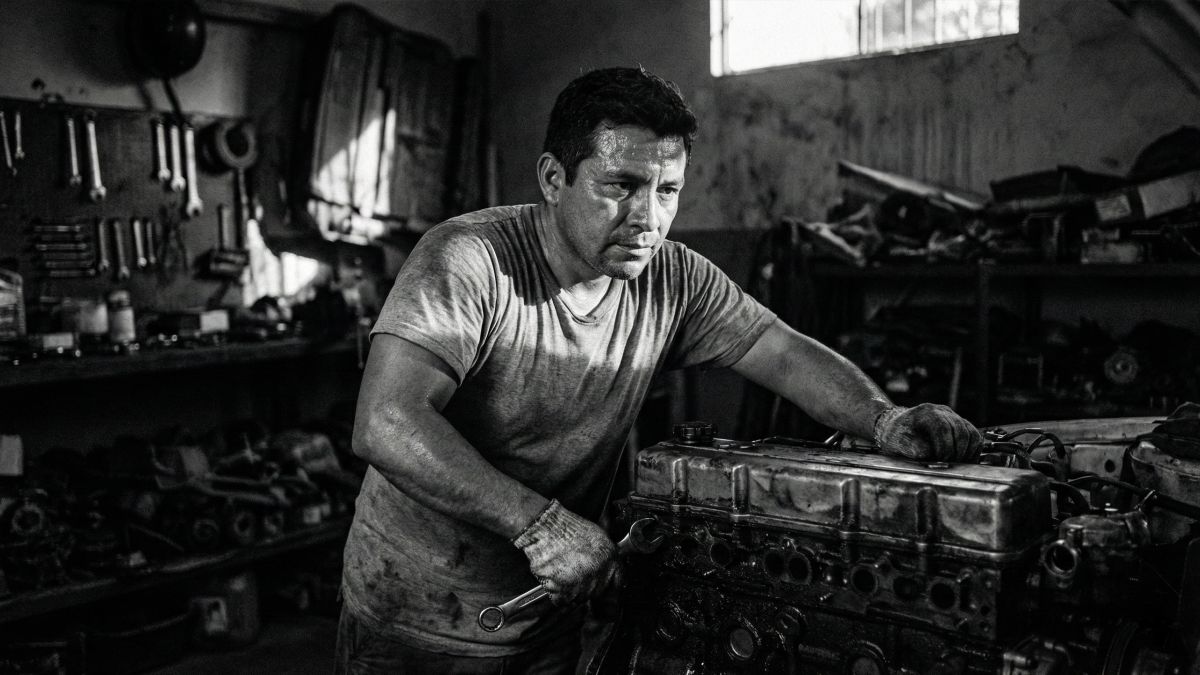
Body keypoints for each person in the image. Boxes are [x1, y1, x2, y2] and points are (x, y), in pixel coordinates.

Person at [336, 65, 981, 674]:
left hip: (547, 619)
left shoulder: (672, 278)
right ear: (553, 178)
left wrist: (885, 418)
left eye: (667, 190)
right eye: (619, 186)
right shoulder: (469, 259)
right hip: (413, 623)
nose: (647, 218)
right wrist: (538, 524)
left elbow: (782, 351)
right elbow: (386, 421)